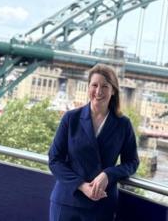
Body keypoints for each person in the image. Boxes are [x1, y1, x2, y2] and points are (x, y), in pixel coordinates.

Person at [48, 64, 139, 221]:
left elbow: (132, 162)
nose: (98, 91)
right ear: (88, 87)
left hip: (101, 205)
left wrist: (108, 174)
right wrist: (82, 186)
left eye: (105, 86)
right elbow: (55, 160)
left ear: (113, 91)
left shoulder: (123, 124)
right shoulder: (71, 118)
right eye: (94, 85)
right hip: (67, 201)